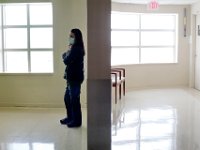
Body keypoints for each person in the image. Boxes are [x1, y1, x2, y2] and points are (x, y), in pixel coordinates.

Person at [60, 28, 85, 128]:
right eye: (69, 36)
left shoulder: (77, 49)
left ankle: (77, 121)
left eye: (72, 36)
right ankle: (70, 117)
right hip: (70, 78)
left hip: (75, 78)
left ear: (77, 37)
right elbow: (65, 57)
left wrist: (67, 54)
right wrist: (66, 54)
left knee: (74, 100)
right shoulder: (73, 48)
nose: (70, 38)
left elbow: (66, 60)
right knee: (67, 99)